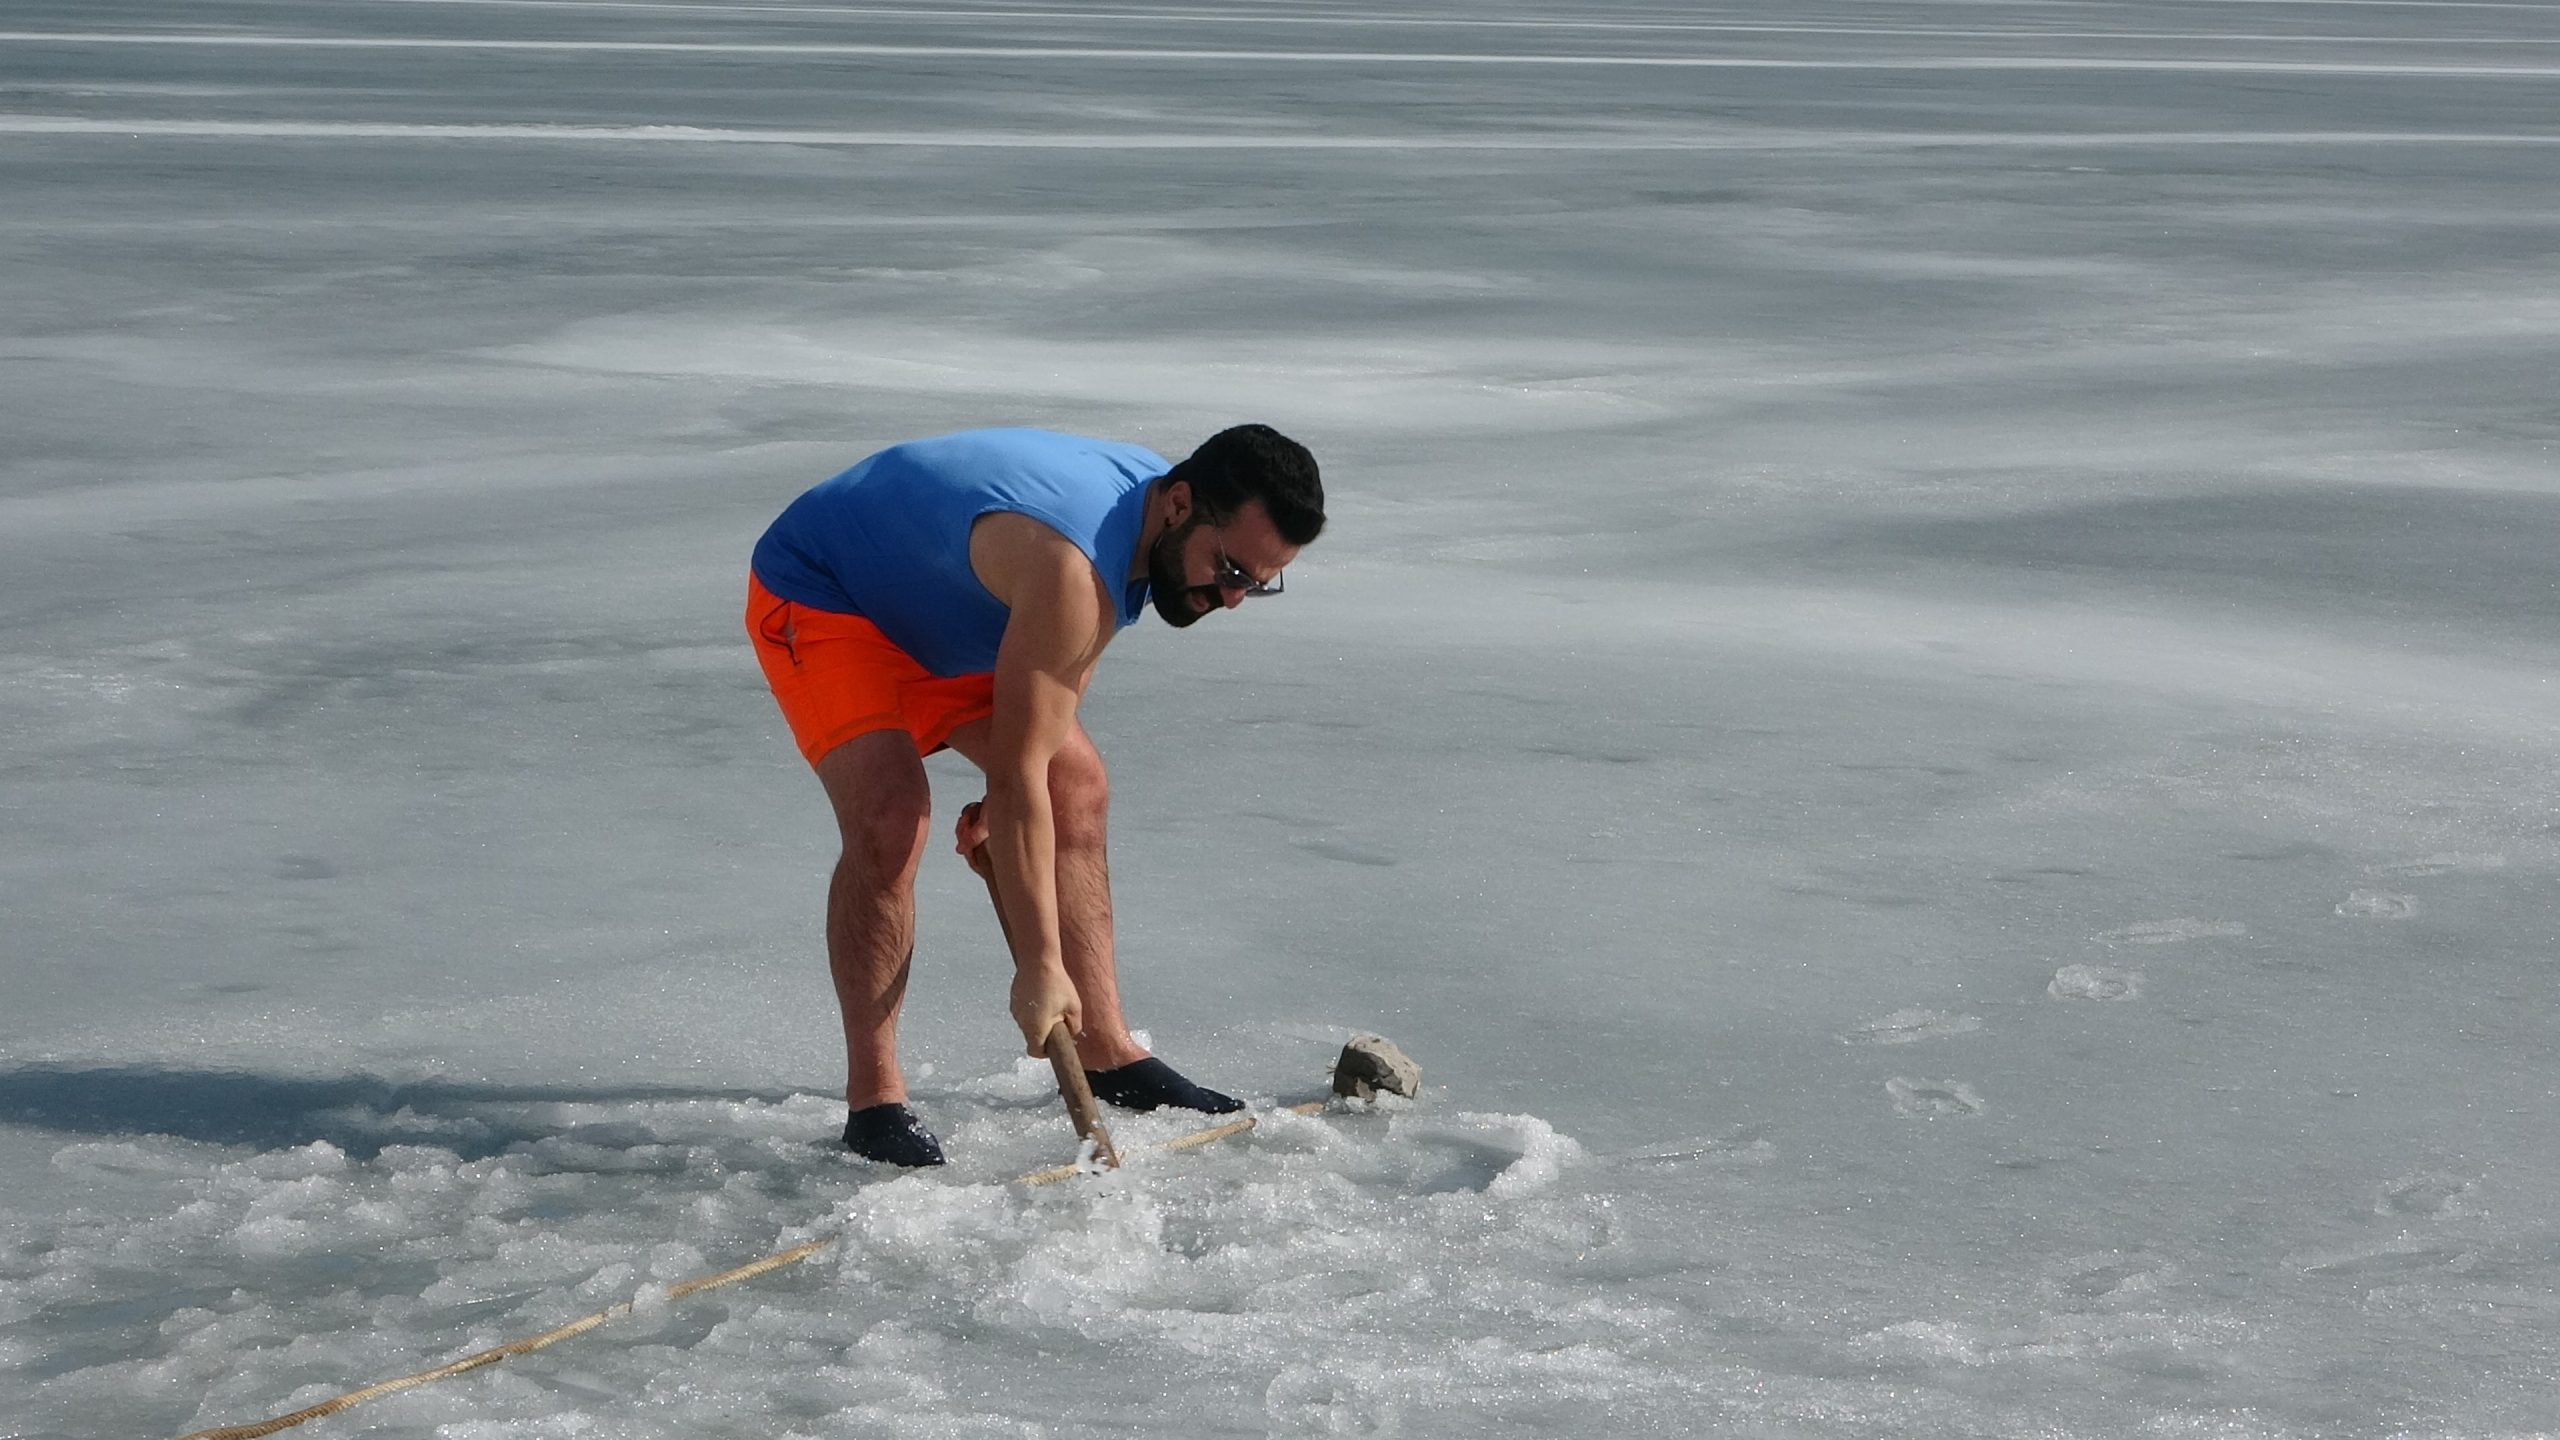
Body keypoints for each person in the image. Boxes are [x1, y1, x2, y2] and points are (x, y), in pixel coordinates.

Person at [745, 425, 1324, 1165]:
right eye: (1233, 568)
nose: (1235, 598)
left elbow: (1049, 727)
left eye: (1261, 582)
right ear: (1180, 504)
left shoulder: (1153, 521)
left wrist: (1014, 809)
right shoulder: (1071, 564)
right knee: (893, 817)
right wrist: (1039, 966)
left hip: (948, 615)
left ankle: (1108, 1049)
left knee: (1074, 785)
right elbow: (1019, 772)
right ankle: (876, 1101)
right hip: (827, 592)